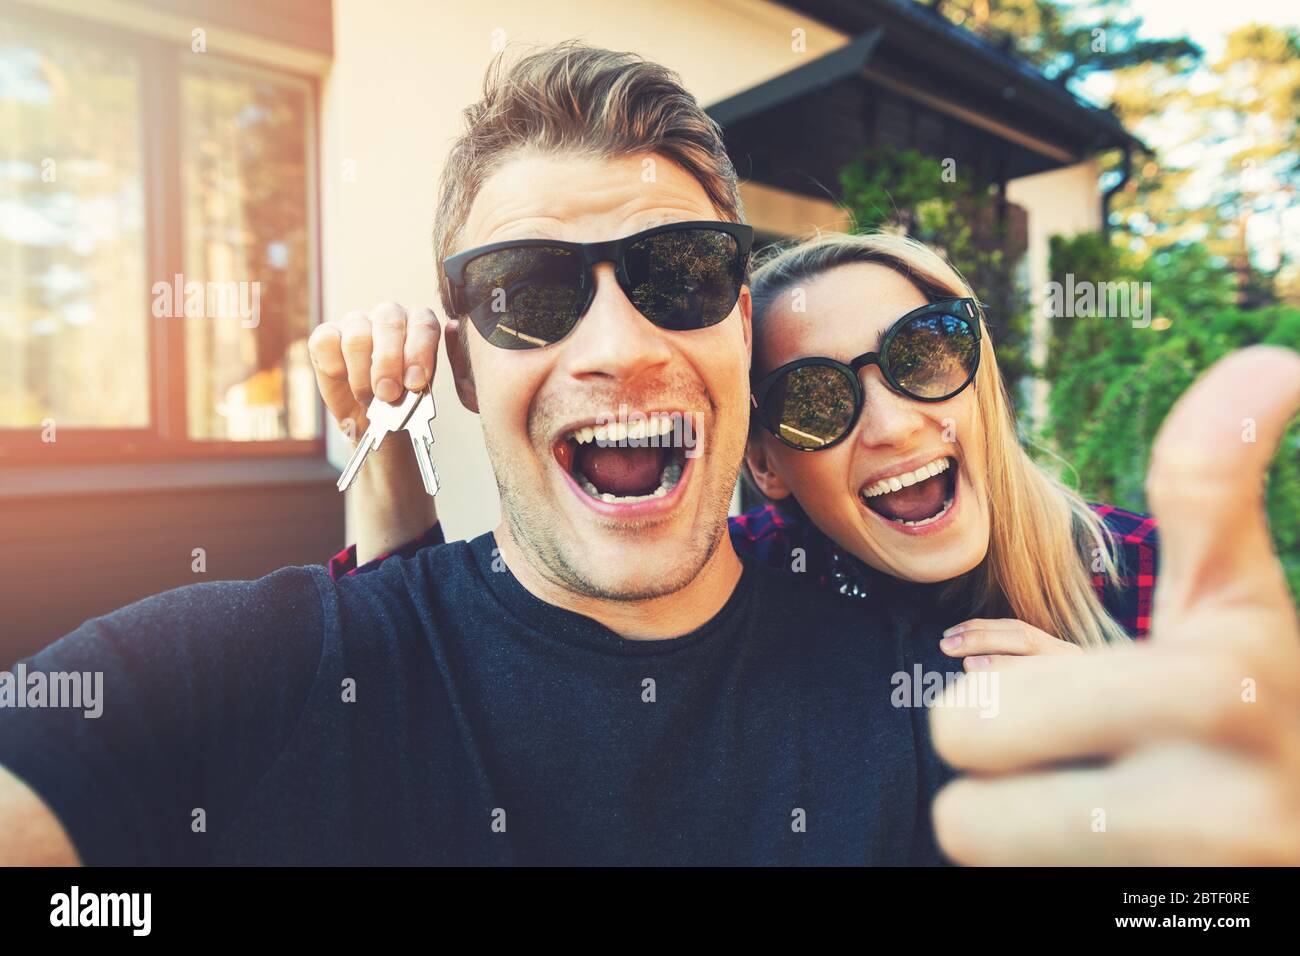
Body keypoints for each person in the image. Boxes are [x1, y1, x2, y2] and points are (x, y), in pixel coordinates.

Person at [1, 43, 1297, 867]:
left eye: (680, 274)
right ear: (462, 362)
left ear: (740, 325)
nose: (618, 344)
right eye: (527, 292)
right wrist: (382, 474)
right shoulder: (269, 669)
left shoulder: (951, 691)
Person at [324, 233, 1159, 679]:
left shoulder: (1156, 573)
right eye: (813, 401)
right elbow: (425, 674)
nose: (896, 427)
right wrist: (388, 433)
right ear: (764, 466)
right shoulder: (744, 594)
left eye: (924, 353)